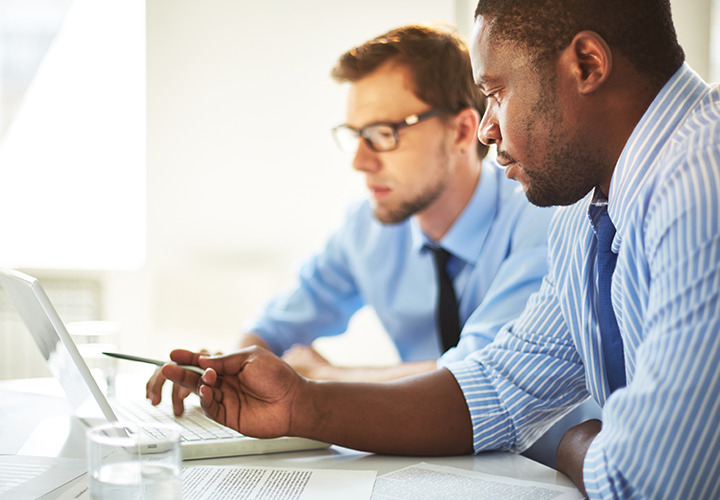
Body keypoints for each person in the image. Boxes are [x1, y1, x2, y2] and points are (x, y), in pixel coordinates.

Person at [148, 25, 554, 408]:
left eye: (382, 134)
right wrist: (220, 370)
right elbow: (273, 329)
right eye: (356, 136)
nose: (360, 161)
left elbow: (479, 374)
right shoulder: (367, 227)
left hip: (542, 467)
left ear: (463, 132)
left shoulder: (540, 219)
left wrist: (324, 378)